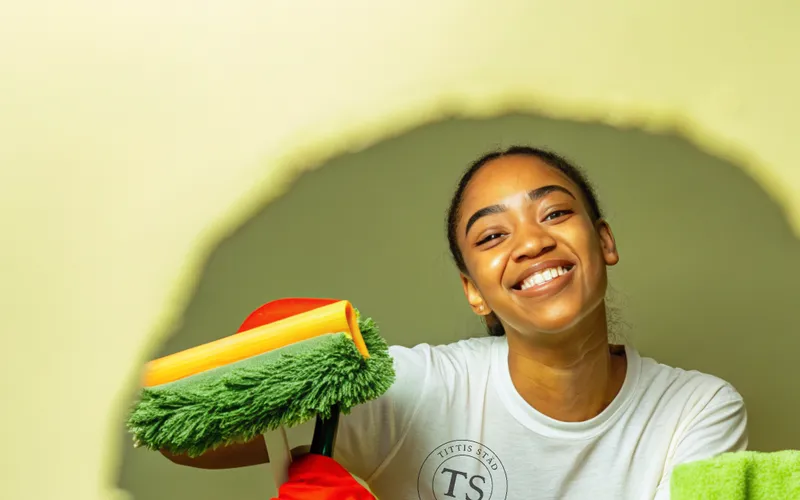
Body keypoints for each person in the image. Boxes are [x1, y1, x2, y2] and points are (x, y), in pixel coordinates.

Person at [162, 146, 748, 499]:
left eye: (555, 213)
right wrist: (268, 371)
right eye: (493, 235)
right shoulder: (421, 390)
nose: (532, 242)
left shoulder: (695, 411)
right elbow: (179, 437)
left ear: (603, 241)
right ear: (475, 292)